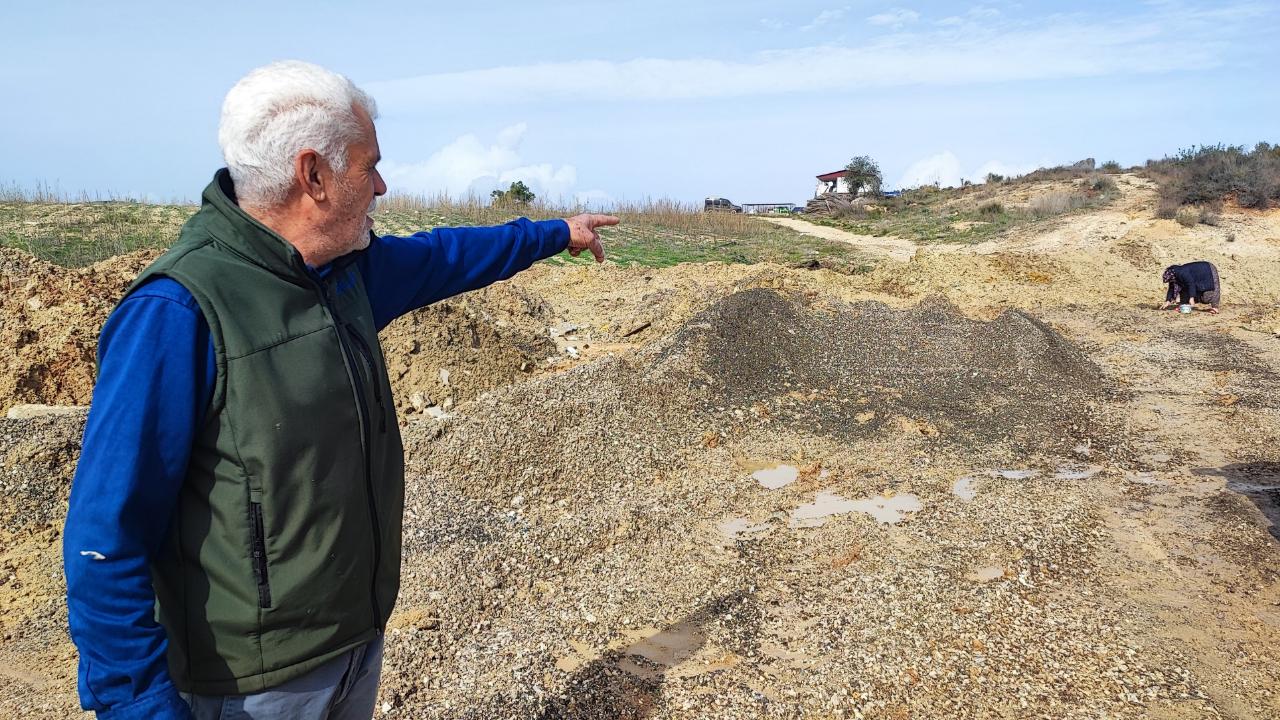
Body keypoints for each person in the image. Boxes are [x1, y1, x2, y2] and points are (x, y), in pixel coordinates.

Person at [62, 60, 618, 720]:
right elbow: (103, 542)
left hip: (354, 643)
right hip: (252, 686)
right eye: (369, 165)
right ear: (314, 175)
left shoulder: (346, 273)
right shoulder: (178, 313)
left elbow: (447, 257)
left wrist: (556, 234)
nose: (382, 185)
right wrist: (141, 708)